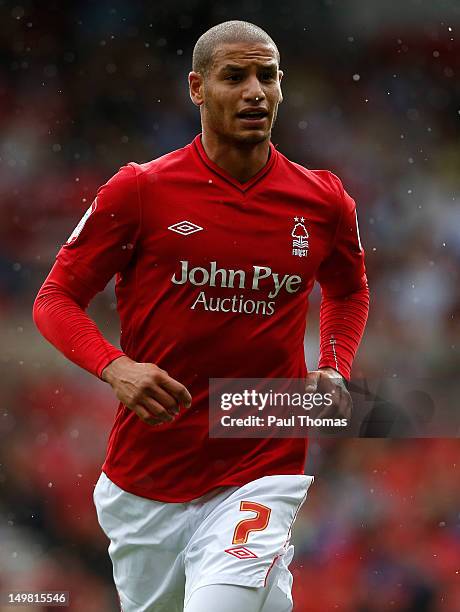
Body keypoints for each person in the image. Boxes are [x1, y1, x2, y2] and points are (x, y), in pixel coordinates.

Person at [33, 20, 369, 612]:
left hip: (260, 445)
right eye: (234, 77)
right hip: (147, 474)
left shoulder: (322, 201)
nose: (255, 92)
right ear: (196, 88)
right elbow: (54, 299)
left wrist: (335, 366)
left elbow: (348, 290)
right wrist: (116, 368)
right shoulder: (139, 190)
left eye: (268, 77)